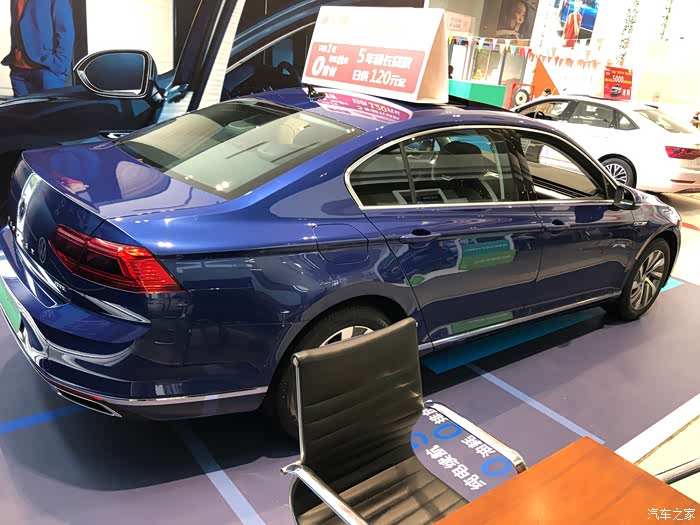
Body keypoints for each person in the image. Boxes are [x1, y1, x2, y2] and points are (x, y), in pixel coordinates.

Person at [2, 0, 75, 96]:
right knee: (20, 106)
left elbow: (65, 30)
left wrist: (59, 65)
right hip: (18, 71)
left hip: (46, 69)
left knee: (51, 106)